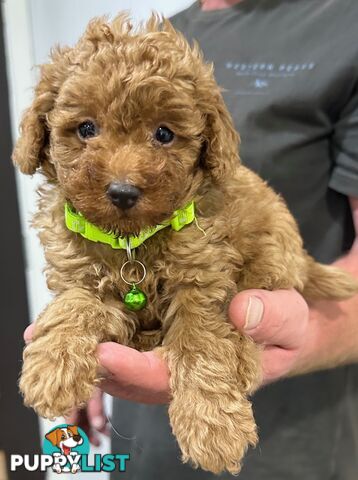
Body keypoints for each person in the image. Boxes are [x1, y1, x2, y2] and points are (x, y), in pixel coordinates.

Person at [24, 0, 358, 478]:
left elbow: (205, 299)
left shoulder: (346, 26)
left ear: (210, 145)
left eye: (163, 134)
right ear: (40, 133)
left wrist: (294, 340)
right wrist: (91, 358)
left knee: (205, 310)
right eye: (86, 129)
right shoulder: (170, 31)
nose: (123, 174)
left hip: (296, 442)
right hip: (139, 441)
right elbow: (91, 293)